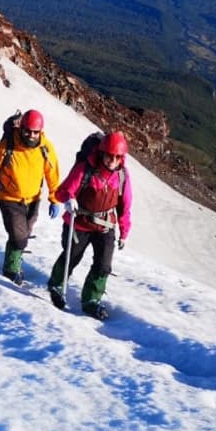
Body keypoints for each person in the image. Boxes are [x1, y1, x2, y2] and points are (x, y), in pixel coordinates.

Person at [47, 131, 133, 320]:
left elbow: (125, 206)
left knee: (103, 264)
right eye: (110, 155)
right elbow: (63, 191)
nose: (113, 160)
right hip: (80, 223)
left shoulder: (122, 176)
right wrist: (69, 199)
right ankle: (56, 284)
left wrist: (124, 232)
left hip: (105, 226)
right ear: (102, 152)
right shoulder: (85, 169)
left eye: (118, 157)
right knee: (72, 256)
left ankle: (91, 299)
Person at [0, 109, 62, 285]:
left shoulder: (45, 148)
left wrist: (54, 198)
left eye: (35, 132)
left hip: (33, 199)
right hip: (9, 198)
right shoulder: (8, 145)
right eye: (28, 131)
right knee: (18, 235)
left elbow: (52, 173)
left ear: (40, 131)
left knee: (24, 233)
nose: (31, 135)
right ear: (21, 128)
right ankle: (12, 268)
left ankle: (12, 260)